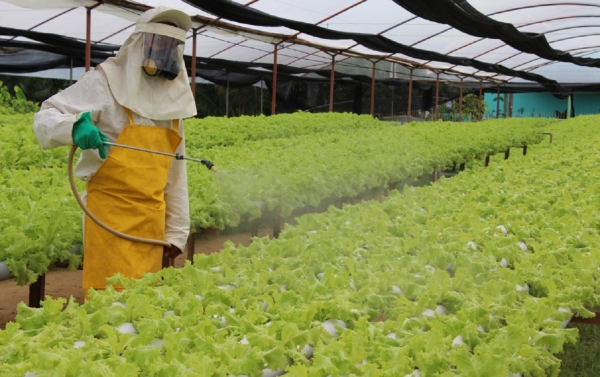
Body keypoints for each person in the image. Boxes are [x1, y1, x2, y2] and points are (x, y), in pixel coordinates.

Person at [33, 6, 197, 297]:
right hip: (110, 218)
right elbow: (46, 116)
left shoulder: (173, 102)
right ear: (140, 41)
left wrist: (176, 232)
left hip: (151, 223)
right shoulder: (105, 82)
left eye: (172, 43)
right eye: (160, 40)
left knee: (143, 306)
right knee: (109, 303)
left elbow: (175, 174)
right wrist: (73, 126)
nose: (165, 48)